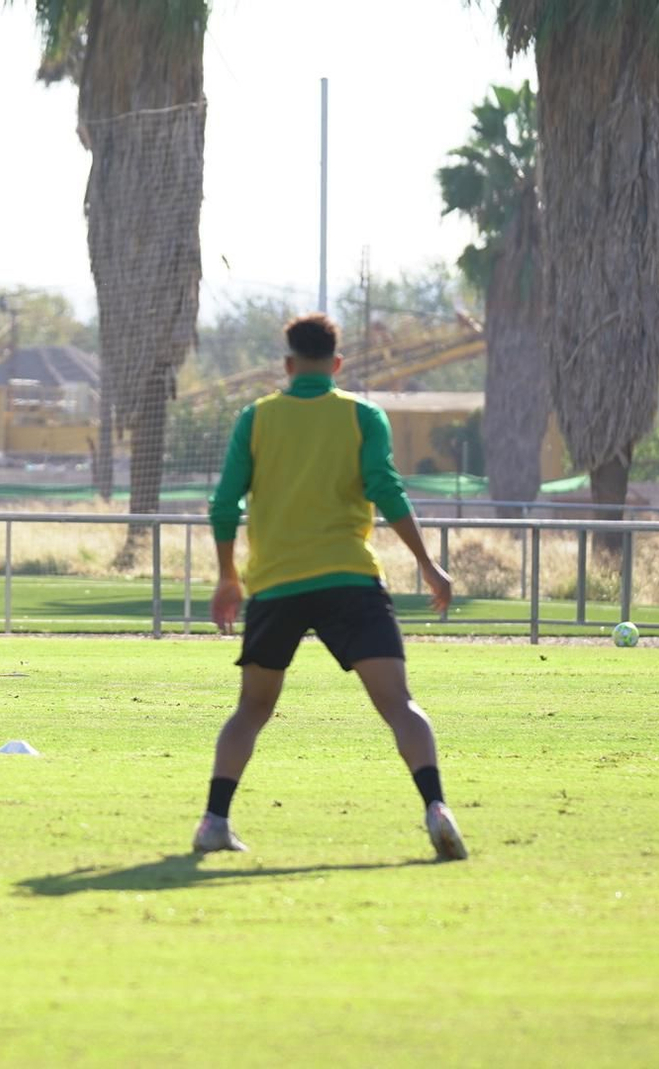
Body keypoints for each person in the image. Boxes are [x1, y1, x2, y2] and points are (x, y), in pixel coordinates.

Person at [196, 313, 467, 861]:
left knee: (251, 710)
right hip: (349, 578)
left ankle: (213, 822)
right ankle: (436, 806)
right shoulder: (363, 416)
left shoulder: (256, 418)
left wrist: (228, 576)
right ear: (337, 364)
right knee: (399, 705)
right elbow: (386, 490)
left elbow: (224, 504)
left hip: (275, 584)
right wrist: (429, 565)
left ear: (289, 365)